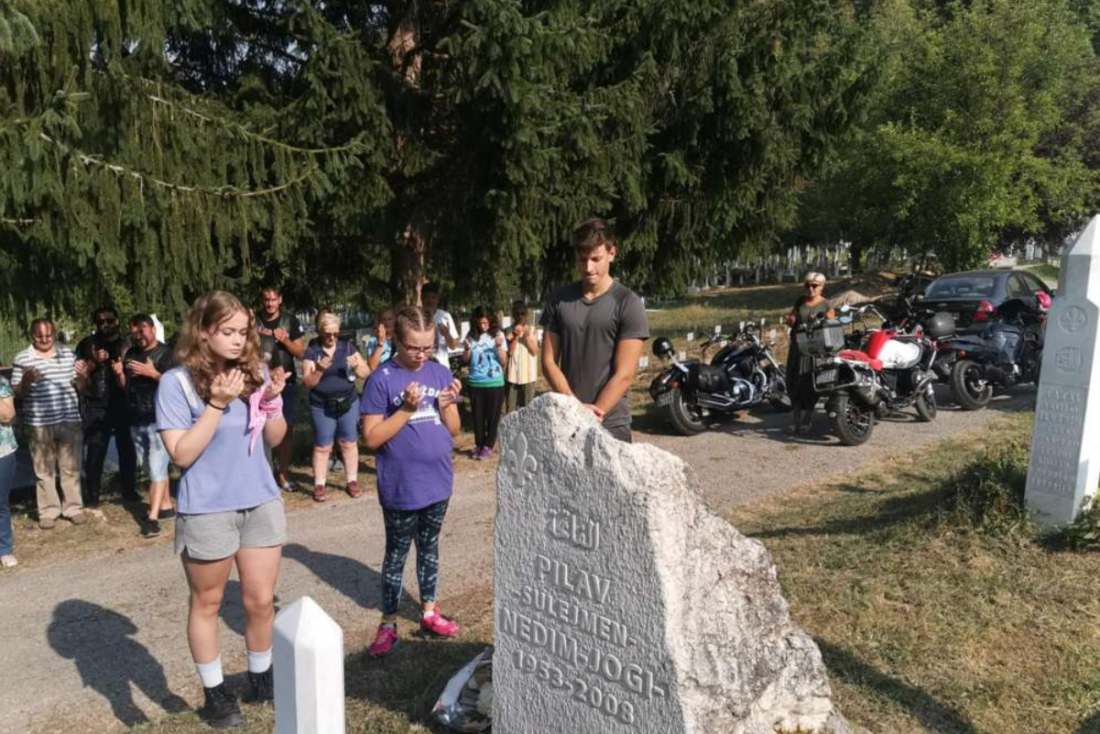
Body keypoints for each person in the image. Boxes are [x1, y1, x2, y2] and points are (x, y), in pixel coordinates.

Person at [156, 290, 288, 728]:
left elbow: (273, 439)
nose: (237, 340)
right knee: (208, 602)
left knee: (260, 600)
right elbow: (181, 455)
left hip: (261, 501)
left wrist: (270, 403)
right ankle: (215, 693)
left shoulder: (255, 372)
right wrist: (215, 404)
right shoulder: (176, 383)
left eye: (243, 332)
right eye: (227, 331)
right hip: (208, 509)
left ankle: (262, 677)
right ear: (203, 330)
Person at [361, 305, 463, 657]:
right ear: (396, 341)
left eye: (428, 347)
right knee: (396, 555)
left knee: (430, 549)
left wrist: (449, 404)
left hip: (438, 482)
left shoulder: (437, 373)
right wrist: (405, 409)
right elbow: (371, 439)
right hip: (401, 487)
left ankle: (429, 613)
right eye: (413, 348)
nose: (421, 355)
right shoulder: (381, 380)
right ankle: (388, 623)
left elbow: (454, 430)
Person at [540, 217, 650, 443]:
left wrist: (592, 414)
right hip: (568, 420)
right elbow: (549, 362)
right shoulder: (558, 300)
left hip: (611, 423)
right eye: (582, 259)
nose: (588, 268)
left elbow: (625, 374)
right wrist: (575, 408)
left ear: (612, 253)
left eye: (596, 259)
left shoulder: (628, 303)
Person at [12, 319, 90, 528]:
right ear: (31, 335)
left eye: (49, 335)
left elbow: (80, 387)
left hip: (69, 419)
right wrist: (26, 381)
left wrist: (83, 376)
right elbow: (17, 393)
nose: (45, 339)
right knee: (43, 470)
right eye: (39, 336)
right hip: (39, 422)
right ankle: (48, 511)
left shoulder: (68, 354)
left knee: (71, 468)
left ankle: (73, 508)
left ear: (55, 334)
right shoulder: (22, 358)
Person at [113, 314, 176, 537]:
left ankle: (152, 520)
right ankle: (166, 507)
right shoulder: (131, 354)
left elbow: (177, 386)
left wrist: (154, 373)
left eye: (143, 330)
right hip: (136, 418)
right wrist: (120, 375)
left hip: (159, 419)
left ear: (152, 329)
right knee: (150, 469)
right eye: (134, 332)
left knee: (156, 468)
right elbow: (126, 387)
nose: (139, 336)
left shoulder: (167, 354)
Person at [302, 311, 370, 502]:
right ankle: (320, 484)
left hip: (347, 402)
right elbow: (308, 383)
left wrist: (357, 367)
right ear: (319, 332)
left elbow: (366, 373)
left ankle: (352, 480)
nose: (331, 337)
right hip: (321, 405)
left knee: (348, 442)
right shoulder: (312, 350)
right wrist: (321, 370)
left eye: (335, 333)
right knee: (323, 446)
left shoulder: (347, 347)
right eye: (327, 334)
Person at [76, 306, 137, 505]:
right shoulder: (87, 344)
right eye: (100, 321)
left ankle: (129, 491)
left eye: (109, 320)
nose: (105, 325)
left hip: (123, 402)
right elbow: (79, 376)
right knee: (95, 451)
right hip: (96, 403)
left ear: (117, 321)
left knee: (126, 449)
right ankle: (93, 497)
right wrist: (94, 360)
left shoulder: (129, 343)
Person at [256, 286, 305, 491]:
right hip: (259, 385)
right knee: (259, 430)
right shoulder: (254, 320)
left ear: (280, 300)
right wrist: (257, 336)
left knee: (286, 431)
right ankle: (262, 476)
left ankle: (283, 475)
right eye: (266, 300)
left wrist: (284, 339)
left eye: (273, 299)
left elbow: (301, 352)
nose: (269, 303)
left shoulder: (290, 320)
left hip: (285, 382)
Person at [784, 272, 836, 433]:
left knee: (809, 385)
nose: (811, 289)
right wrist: (790, 320)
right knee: (793, 383)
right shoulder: (800, 301)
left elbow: (831, 328)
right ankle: (796, 422)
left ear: (822, 287)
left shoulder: (826, 304)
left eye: (815, 286)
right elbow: (792, 319)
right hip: (797, 349)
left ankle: (808, 419)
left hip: (814, 351)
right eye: (807, 285)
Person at [462, 307, 507, 459]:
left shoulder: (498, 335)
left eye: (486, 323)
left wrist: (499, 347)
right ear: (476, 322)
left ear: (491, 322)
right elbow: (465, 360)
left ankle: (488, 445)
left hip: (494, 382)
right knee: (477, 417)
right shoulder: (471, 336)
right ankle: (479, 444)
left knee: (492, 417)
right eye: (481, 323)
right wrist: (467, 350)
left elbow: (503, 361)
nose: (484, 326)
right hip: (475, 383)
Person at [504, 301, 539, 413]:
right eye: (517, 314)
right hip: (513, 374)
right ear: (513, 315)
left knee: (528, 408)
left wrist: (526, 336)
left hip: (528, 375)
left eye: (522, 314)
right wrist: (515, 337)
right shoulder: (508, 330)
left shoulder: (533, 330)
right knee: (511, 408)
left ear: (526, 314)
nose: (520, 317)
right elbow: (510, 352)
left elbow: (534, 351)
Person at [0, 363, 18, 568]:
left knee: (0, 504)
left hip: (2, 452)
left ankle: (4, 549)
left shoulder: (2, 384)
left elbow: (7, 416)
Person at [422, 282, 460, 370]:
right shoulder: (415, 316)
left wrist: (447, 335)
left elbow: (454, 346)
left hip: (442, 367)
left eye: (433, 298)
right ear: (422, 298)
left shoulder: (445, 316)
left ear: (437, 299)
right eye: (427, 297)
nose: (430, 301)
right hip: (421, 366)